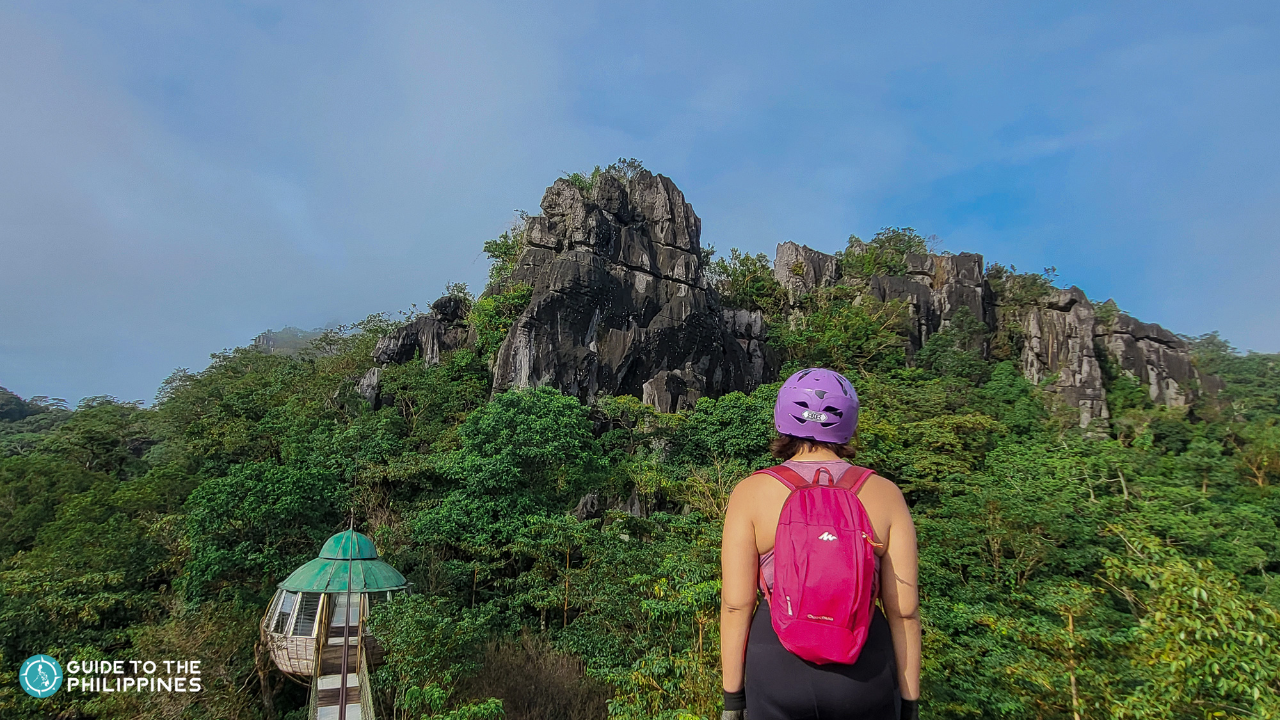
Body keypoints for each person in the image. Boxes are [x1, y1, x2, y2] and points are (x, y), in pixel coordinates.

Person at [720, 368, 921, 720]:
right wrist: (909, 703)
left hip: (777, 666)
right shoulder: (886, 495)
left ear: (782, 418)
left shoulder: (751, 493)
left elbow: (736, 605)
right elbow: (904, 612)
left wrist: (733, 700)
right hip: (863, 668)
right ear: (849, 421)